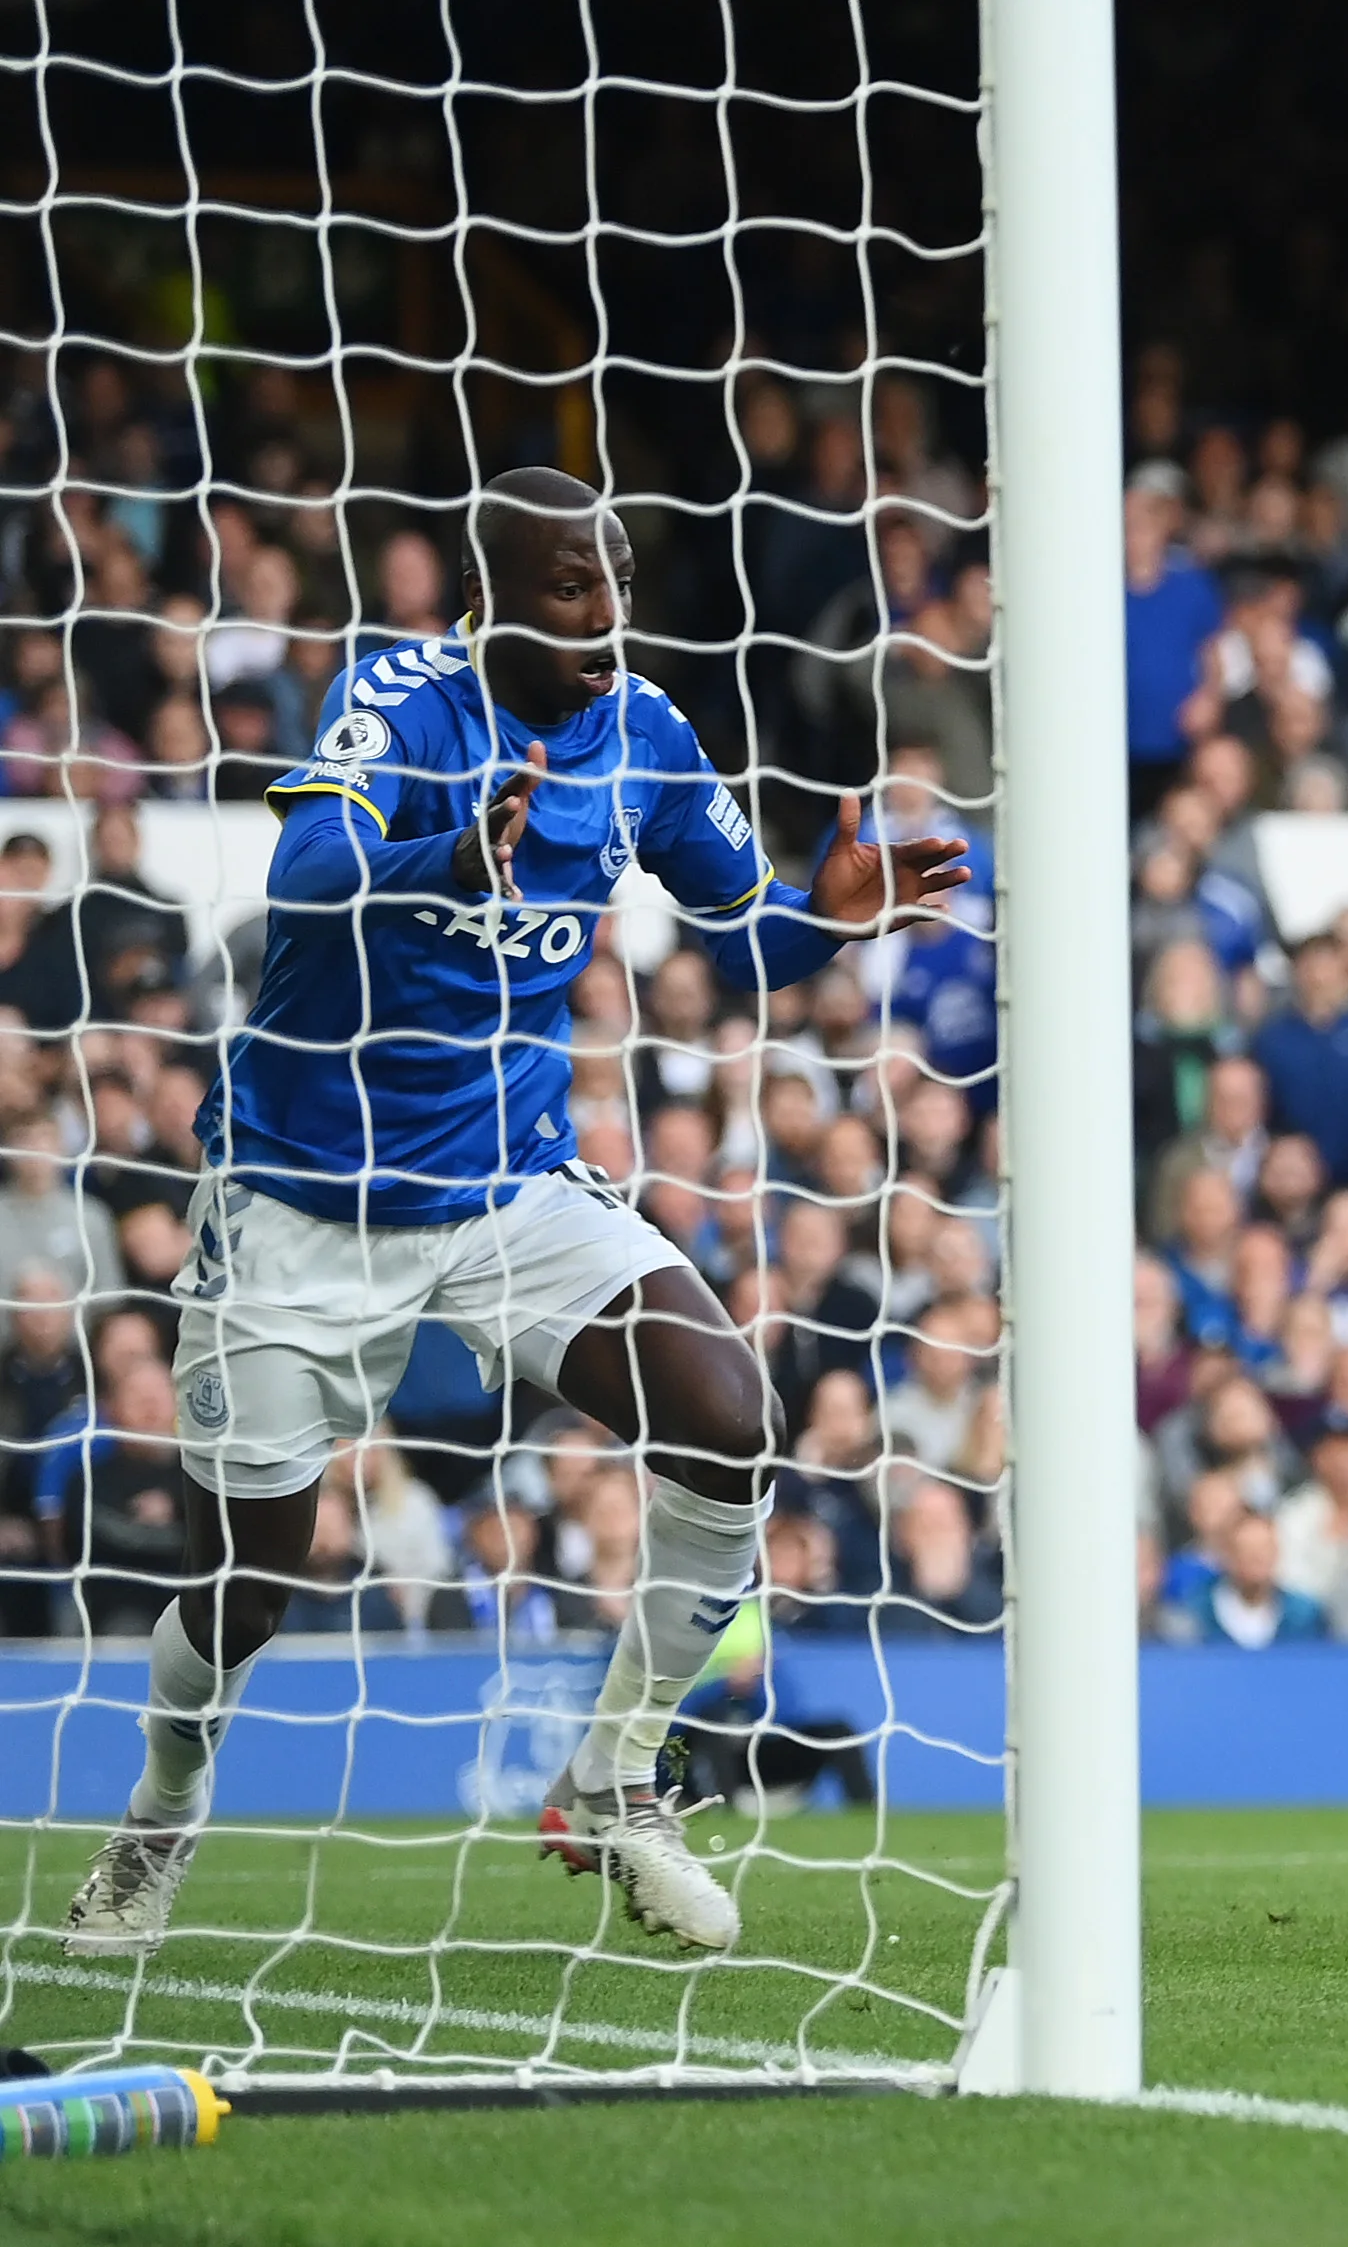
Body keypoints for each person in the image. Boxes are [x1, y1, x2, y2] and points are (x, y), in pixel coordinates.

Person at [61, 468, 967, 1962]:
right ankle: (160, 1815)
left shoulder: (648, 734)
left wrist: (830, 912)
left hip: (506, 1182)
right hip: (303, 1196)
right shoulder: (405, 699)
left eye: (616, 581)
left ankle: (614, 1777)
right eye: (568, 587)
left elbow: (740, 938)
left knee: (725, 1411)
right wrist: (446, 851)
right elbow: (301, 875)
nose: (605, 615)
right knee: (252, 1583)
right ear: (491, 593)